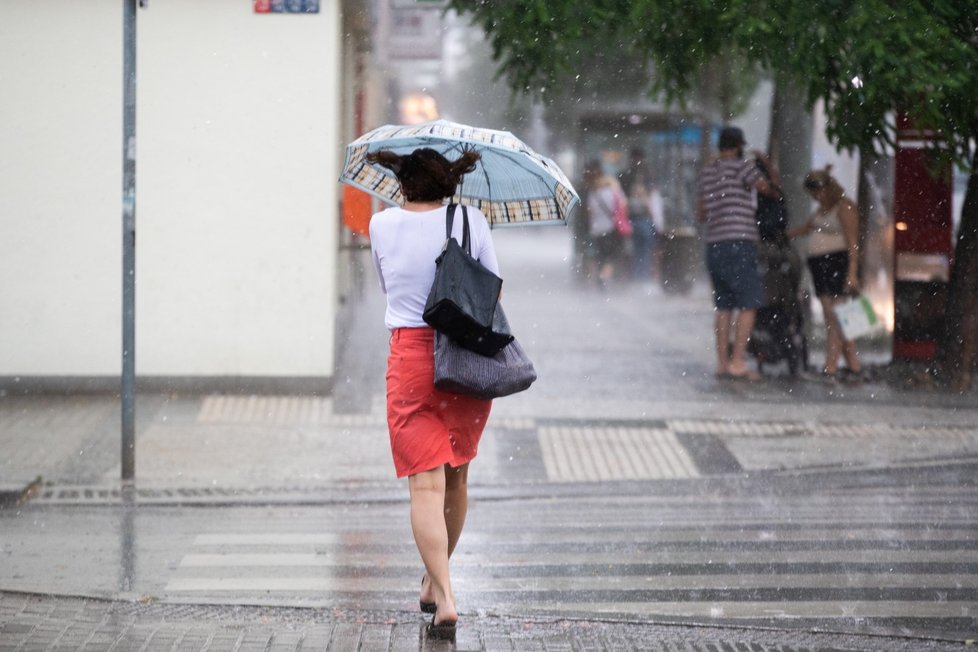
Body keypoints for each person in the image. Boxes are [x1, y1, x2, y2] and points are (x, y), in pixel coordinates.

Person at [367, 147, 498, 639]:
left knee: (424, 486)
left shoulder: (382, 226)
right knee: (456, 480)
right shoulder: (470, 219)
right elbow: (493, 292)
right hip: (463, 357)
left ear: (403, 185)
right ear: (448, 184)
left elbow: (390, 286)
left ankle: (441, 592)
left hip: (411, 357)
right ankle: (435, 578)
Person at [696, 126, 777, 381]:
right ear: (739, 146)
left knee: (723, 305)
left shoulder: (707, 172)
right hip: (739, 242)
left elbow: (701, 214)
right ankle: (738, 362)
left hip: (715, 245)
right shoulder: (743, 167)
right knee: (749, 303)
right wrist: (766, 164)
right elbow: (770, 190)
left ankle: (722, 363)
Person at [788, 166, 862, 380]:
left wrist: (852, 272)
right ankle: (853, 365)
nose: (817, 198)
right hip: (820, 265)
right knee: (836, 316)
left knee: (837, 317)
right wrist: (784, 235)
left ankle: (831, 366)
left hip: (837, 263)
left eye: (819, 193)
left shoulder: (844, 207)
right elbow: (807, 228)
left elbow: (853, 241)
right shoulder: (821, 210)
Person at [583, 159, 630, 289]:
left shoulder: (593, 193)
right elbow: (623, 206)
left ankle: (599, 275)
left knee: (600, 255)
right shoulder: (614, 192)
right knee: (611, 256)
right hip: (611, 228)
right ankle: (604, 276)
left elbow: (589, 212)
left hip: (597, 229)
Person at [618, 148, 661, 281]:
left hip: (636, 220)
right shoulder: (647, 176)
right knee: (642, 251)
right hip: (640, 220)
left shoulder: (629, 176)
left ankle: (640, 277)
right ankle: (641, 277)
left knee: (638, 251)